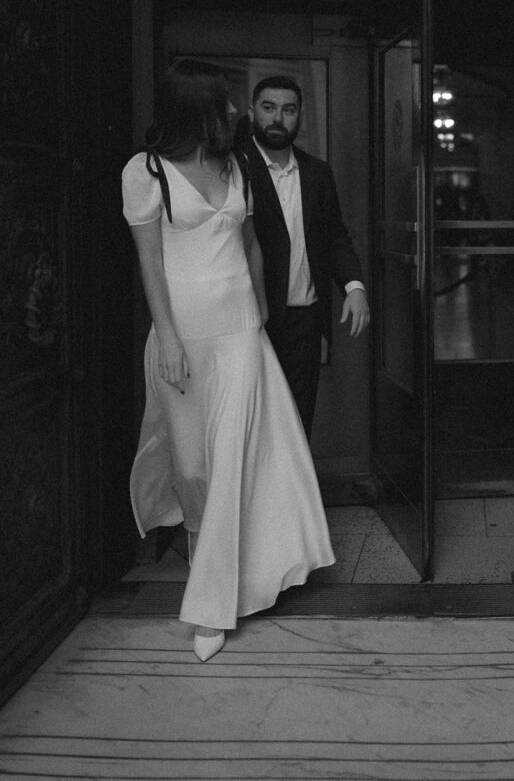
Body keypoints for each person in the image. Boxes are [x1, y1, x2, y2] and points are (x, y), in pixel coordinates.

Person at [121, 59, 334, 663]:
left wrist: (262, 308)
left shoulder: (236, 164)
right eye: (228, 101)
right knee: (193, 469)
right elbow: (150, 265)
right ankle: (209, 564)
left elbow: (247, 242)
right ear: (197, 107)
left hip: (241, 333)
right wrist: (165, 336)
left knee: (243, 460)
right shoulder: (146, 172)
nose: (239, 111)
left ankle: (211, 604)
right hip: (182, 338)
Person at [239, 75, 369, 437]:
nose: (278, 118)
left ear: (300, 116)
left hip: (305, 321)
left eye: (288, 109)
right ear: (252, 112)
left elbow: (335, 237)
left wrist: (354, 286)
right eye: (268, 108)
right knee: (252, 420)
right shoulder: (234, 167)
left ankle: (293, 494)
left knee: (297, 420)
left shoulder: (317, 172)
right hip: (250, 319)